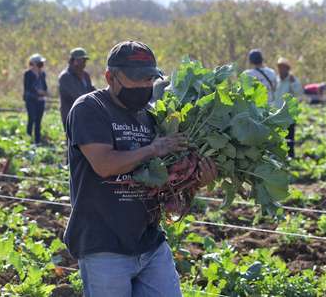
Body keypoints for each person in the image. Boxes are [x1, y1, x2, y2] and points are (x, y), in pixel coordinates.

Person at [64, 41, 218, 297]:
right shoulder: (90, 109)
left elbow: (162, 184)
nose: (144, 86)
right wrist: (153, 149)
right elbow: (104, 165)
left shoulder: (150, 115)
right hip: (104, 245)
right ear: (110, 77)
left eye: (149, 78)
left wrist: (198, 180)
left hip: (149, 242)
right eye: (136, 79)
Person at [58, 47, 95, 129]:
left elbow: (91, 90)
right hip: (71, 114)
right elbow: (74, 95)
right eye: (80, 60)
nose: (83, 63)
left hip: (85, 114)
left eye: (84, 60)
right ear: (72, 61)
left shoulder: (85, 75)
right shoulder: (65, 77)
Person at [274, 57, 303, 158]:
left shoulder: (292, 80)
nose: (281, 70)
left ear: (287, 69)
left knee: (289, 137)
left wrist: (293, 82)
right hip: (276, 114)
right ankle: (279, 157)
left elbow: (299, 92)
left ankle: (291, 157)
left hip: (289, 115)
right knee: (277, 137)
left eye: (283, 68)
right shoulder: (276, 79)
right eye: (279, 67)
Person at [23, 53, 47, 144]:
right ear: (33, 63)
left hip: (41, 100)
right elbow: (28, 87)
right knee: (31, 118)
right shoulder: (28, 74)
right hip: (31, 100)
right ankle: (28, 139)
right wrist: (37, 92)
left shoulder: (42, 74)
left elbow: (45, 86)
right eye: (39, 63)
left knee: (38, 121)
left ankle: (37, 141)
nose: (41, 65)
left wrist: (43, 92)